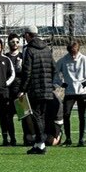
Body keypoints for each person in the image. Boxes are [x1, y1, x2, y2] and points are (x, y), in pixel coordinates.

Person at [18, 24, 56, 155]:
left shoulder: (29, 50)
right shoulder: (46, 49)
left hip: (35, 89)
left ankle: (41, 143)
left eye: (25, 36)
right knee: (41, 116)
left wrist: (22, 89)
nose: (25, 38)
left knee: (36, 116)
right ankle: (38, 144)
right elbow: (53, 68)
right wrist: (51, 83)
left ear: (28, 35)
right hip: (47, 88)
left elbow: (27, 72)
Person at [54, 40, 86, 146]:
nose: (73, 56)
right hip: (69, 92)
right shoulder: (63, 60)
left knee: (82, 115)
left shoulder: (85, 59)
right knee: (66, 114)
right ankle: (68, 138)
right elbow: (55, 73)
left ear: (78, 50)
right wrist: (61, 83)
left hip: (82, 92)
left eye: (74, 53)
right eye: (71, 53)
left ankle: (81, 139)